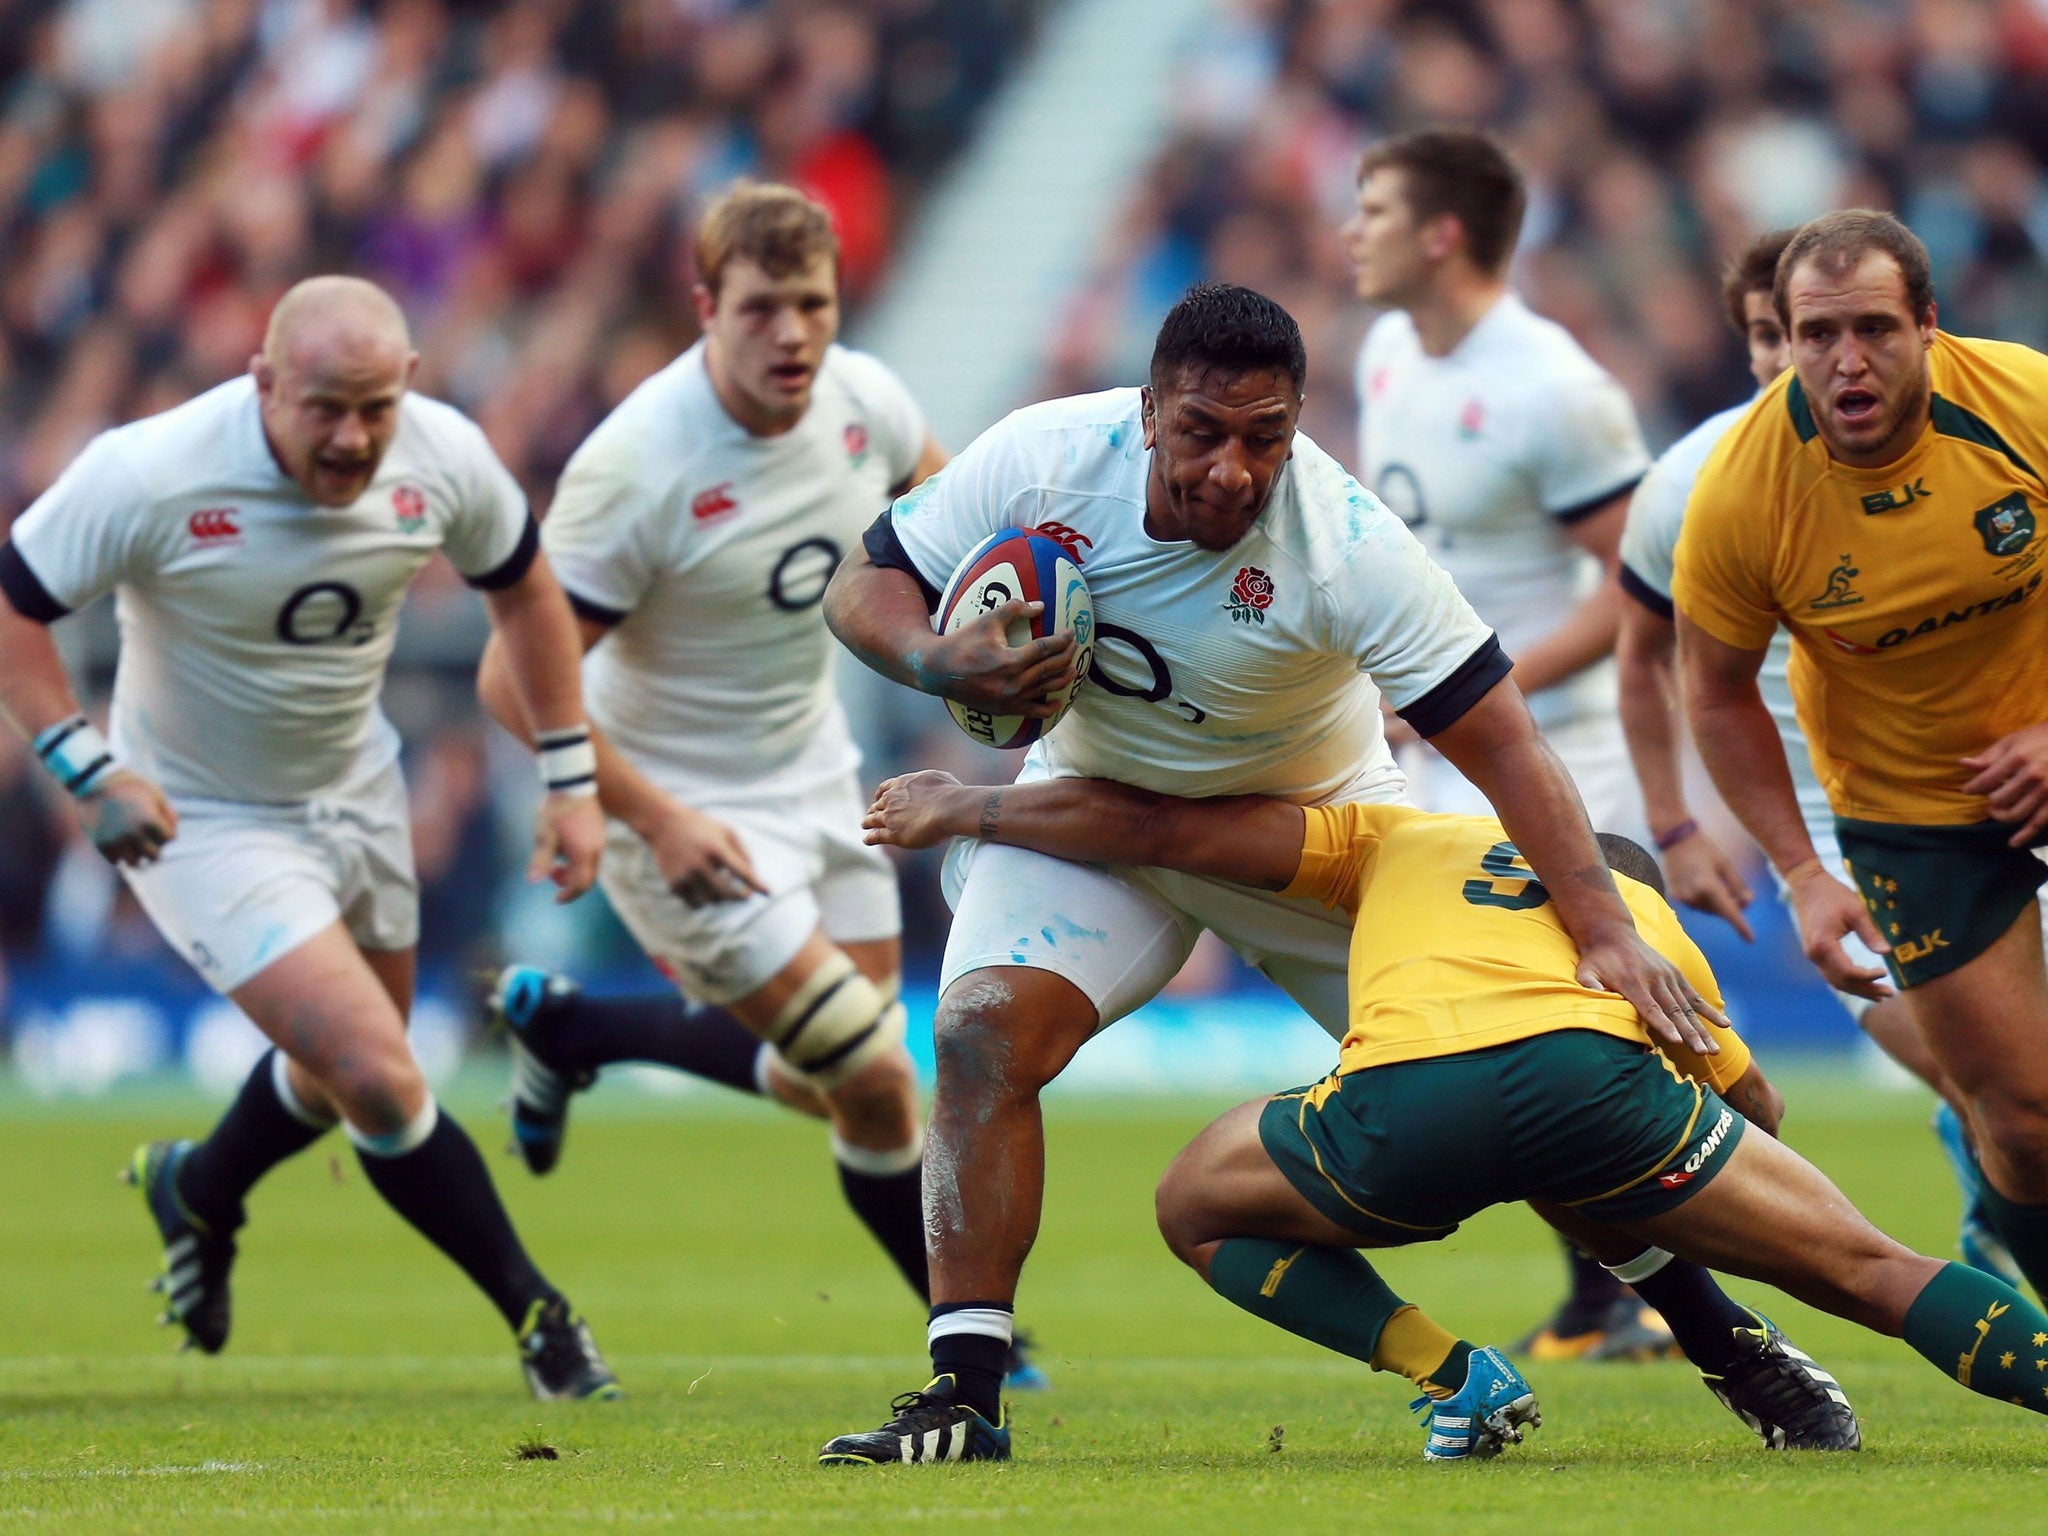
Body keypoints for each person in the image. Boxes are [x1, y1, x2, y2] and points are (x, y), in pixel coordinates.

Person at [816, 281, 1816, 1466]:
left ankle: (1722, 1338)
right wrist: (935, 657)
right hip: (1093, 819)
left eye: (1264, 437)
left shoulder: (1343, 546)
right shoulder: (1041, 459)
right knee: (979, 1035)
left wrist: (1598, 925)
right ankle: (963, 1400)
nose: (1234, 470)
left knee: (1521, 1090)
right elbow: (860, 585)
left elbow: (1502, 744)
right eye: (1202, 433)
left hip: (1316, 840)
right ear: (1146, 413)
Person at [861, 768, 2048, 1458]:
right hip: (1603, 1101)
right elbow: (1752, 1100)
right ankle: (1767, 1348)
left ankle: (1451, 1374)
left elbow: (1158, 831)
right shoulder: (1639, 920)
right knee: (1876, 1269)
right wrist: (1700, 1181)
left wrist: (969, 808)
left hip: (1402, 1108)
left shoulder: (1404, 839)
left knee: (1194, 1205)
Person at [0, 276, 620, 1398]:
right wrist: (86, 769)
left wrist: (571, 783)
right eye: (324, 407)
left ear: (410, 387)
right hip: (200, 817)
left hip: (357, 790)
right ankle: (544, 1322)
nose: (352, 436)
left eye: (375, 409)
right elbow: (14, 608)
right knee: (382, 1075)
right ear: (263, 383)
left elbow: (528, 593)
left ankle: (199, 1189)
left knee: (344, 1070)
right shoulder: (154, 470)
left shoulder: (442, 455)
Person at [475, 181, 988, 1366]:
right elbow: (513, 685)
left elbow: (958, 518)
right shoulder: (639, 465)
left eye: (811, 303)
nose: (792, 334)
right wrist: (651, 821)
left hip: (816, 771)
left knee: (845, 1080)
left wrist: (988, 624)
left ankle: (574, 1029)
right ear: (705, 306)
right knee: (867, 1077)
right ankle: (971, 1338)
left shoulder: (865, 400)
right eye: (760, 309)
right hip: (677, 805)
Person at [1618, 227, 2021, 1285]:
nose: (1843, 361)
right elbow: (1684, 680)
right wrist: (1771, 861)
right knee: (2011, 1112)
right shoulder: (1722, 488)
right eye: (1808, 335)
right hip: (1890, 815)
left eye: (1873, 330)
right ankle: (1998, 1196)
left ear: (1926, 327)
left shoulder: (2018, 403)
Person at [1342, 126, 1667, 1359]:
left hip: (1560, 750)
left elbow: (1637, 586)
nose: (1348, 231)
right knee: (1501, 1019)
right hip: (1435, 758)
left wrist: (1476, 693)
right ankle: (1607, 1292)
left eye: (1371, 209)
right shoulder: (1384, 353)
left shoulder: (1551, 384)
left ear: (1439, 234)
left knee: (1580, 1015)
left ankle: (1651, 1286)